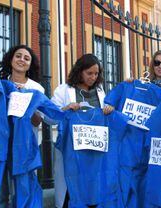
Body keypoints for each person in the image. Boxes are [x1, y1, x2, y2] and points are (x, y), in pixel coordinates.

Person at [51, 54, 112, 208]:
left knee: (92, 190)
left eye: (96, 74)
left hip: (94, 150)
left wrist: (108, 110)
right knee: (71, 190)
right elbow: (49, 116)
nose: (93, 77)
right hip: (72, 152)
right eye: (89, 73)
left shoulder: (100, 92)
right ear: (80, 71)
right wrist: (65, 109)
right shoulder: (64, 90)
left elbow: (106, 118)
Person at [0, 45, 45, 207]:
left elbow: (38, 121)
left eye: (26, 58)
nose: (21, 60)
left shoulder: (36, 88)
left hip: (24, 148)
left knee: (24, 191)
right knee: (0, 193)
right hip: (0, 144)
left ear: (30, 65)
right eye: (18, 56)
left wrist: (24, 101)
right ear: (11, 59)